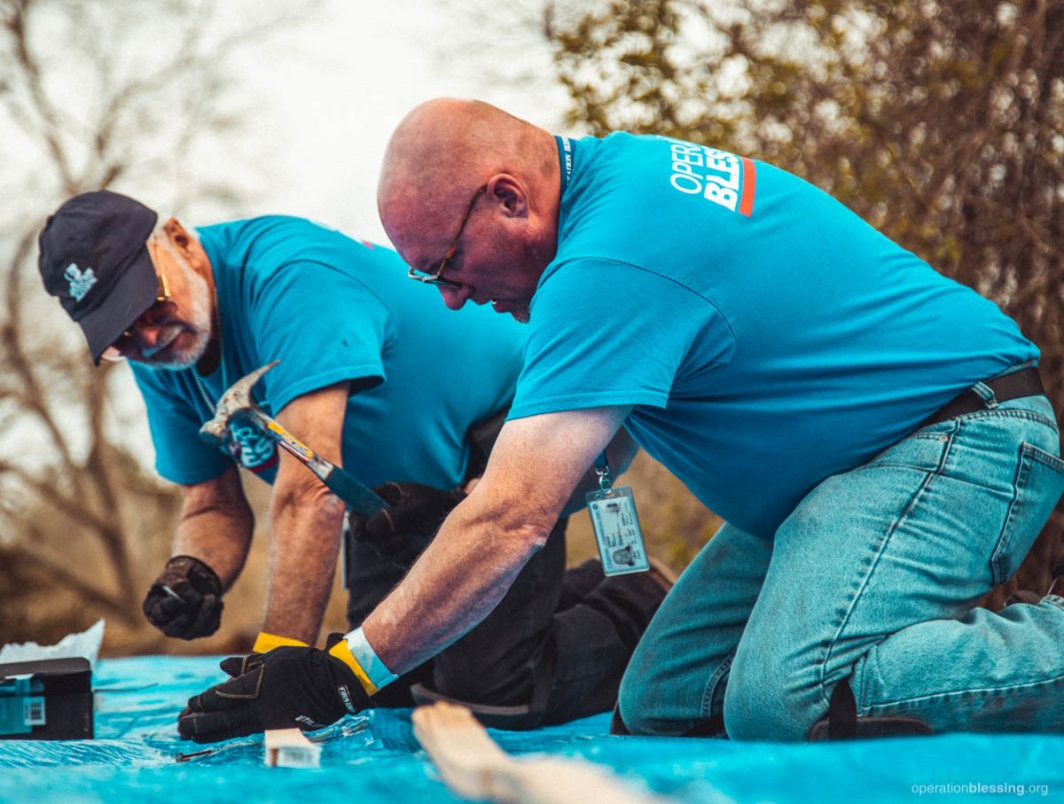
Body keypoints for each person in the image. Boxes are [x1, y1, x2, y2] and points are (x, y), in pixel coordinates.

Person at [175, 98, 1064, 744]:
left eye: (445, 262)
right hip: (828, 484)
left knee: (783, 698)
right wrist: (449, 512)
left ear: (510, 198)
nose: (449, 297)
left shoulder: (609, 258)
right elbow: (587, 458)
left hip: (958, 438)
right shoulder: (614, 193)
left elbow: (515, 515)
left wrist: (343, 670)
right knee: (662, 700)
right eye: (426, 279)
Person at [36, 189, 670, 728]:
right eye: (120, 334)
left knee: (486, 693)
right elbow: (211, 504)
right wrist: (192, 571)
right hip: (391, 496)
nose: (146, 337)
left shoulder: (288, 276)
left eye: (150, 305)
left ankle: (639, 598)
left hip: (520, 421)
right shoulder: (164, 358)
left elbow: (308, 494)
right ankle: (555, 593)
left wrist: (275, 670)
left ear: (177, 239)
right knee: (389, 684)